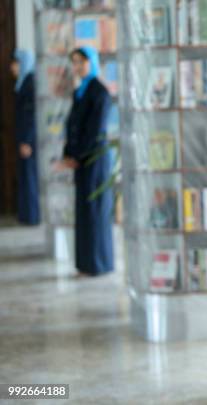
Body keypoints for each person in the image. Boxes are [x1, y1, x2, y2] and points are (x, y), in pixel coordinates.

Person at [56, 46, 114, 277]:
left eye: (82, 62)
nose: (78, 67)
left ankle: (99, 264)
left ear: (92, 62)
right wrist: (68, 154)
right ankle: (85, 264)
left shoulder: (100, 92)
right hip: (81, 160)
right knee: (84, 212)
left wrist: (76, 156)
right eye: (75, 63)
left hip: (95, 160)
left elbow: (95, 130)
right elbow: (72, 126)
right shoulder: (81, 91)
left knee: (95, 211)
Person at [11, 49, 40, 225]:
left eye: (15, 63)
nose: (12, 67)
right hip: (23, 138)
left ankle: (32, 216)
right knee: (26, 176)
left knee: (30, 177)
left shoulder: (30, 83)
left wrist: (27, 140)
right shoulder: (23, 83)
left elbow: (30, 115)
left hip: (28, 140)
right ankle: (27, 215)